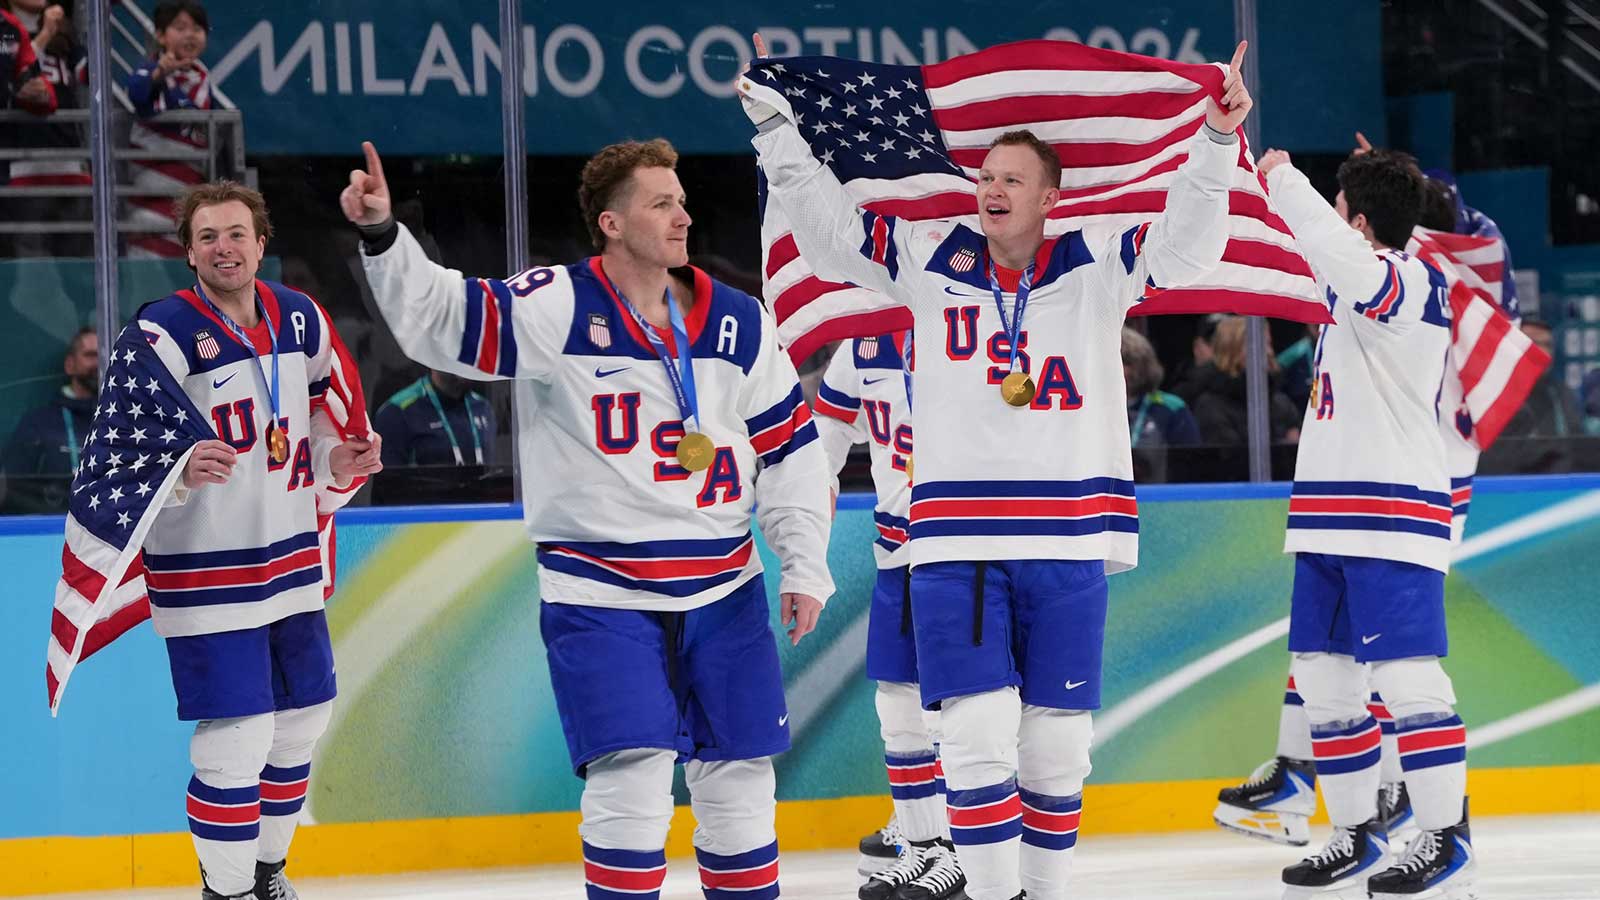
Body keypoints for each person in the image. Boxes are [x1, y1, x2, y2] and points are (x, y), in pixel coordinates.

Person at [745, 34, 1255, 900]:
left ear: (1050, 197)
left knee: (1058, 749)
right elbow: (830, 238)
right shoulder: (927, 257)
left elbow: (1191, 248)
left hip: (1069, 537)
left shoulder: (1097, 261)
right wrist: (775, 130)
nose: (990, 186)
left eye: (1012, 178)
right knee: (976, 736)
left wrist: (1212, 140)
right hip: (954, 540)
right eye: (984, 174)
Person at [344, 137, 834, 900]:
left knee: (740, 788)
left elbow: (794, 449)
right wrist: (383, 237)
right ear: (611, 222)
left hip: (725, 586)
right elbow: (444, 318)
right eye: (661, 203)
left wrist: (802, 561)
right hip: (602, 592)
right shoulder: (557, 305)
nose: (683, 215)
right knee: (632, 786)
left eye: (681, 199)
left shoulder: (739, 322)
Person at [116, 182, 381, 899]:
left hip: (289, 561)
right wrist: (174, 469)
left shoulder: (300, 318)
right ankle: (225, 891)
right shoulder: (161, 331)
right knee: (236, 741)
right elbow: (118, 449)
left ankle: (266, 875)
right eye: (208, 237)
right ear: (189, 250)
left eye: (236, 234)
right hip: (206, 572)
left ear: (262, 244)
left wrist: (339, 460)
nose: (224, 247)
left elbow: (324, 425)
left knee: (301, 723)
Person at [1257, 145, 1475, 899]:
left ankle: (1446, 838)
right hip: (1326, 514)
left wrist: (1282, 179)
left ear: (1356, 219)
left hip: (1390, 511)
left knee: (1409, 679)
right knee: (1324, 681)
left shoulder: (1409, 281)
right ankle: (1356, 832)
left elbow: (1328, 247)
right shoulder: (1352, 282)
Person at [813, 332, 966, 900]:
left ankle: (961, 849)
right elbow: (821, 446)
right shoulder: (862, 343)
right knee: (897, 705)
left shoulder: (975, 325)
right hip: (895, 552)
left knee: (959, 710)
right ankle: (925, 848)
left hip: (964, 551)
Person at [124, 0, 212, 259]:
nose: (190, 35)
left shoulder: (203, 78)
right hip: (150, 201)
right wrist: (161, 73)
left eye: (197, 28)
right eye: (180, 27)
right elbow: (137, 94)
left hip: (188, 201)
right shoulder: (151, 69)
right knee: (148, 281)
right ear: (160, 35)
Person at [2, 0, 89, 258]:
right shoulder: (6, 31)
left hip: (71, 166)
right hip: (20, 169)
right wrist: (43, 36)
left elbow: (90, 76)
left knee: (80, 269)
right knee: (26, 267)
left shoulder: (65, 34)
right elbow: (16, 77)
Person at [0, 325, 96, 511]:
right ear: (70, 365)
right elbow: (13, 493)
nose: (98, 362)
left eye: (103, 354)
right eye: (90, 355)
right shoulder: (38, 424)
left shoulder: (122, 422)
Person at [1187, 315, 1301, 447]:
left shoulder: (1282, 404)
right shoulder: (1209, 407)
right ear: (1231, 351)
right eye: (1259, 346)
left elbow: (1295, 455)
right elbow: (1229, 460)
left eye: (1268, 344)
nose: (1269, 352)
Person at [1122, 326, 1200, 483]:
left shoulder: (1171, 408)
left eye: (1125, 362)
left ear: (1141, 366)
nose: (1116, 369)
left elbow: (1192, 465)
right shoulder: (1087, 408)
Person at [373, 369, 496, 467]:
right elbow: (387, 486)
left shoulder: (482, 407)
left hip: (480, 496)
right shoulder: (398, 411)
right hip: (422, 497)